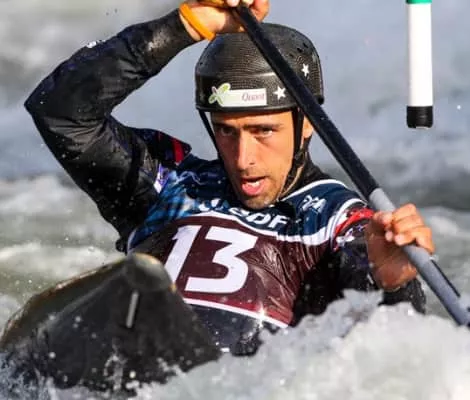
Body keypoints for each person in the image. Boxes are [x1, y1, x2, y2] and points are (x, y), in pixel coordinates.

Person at [24, 0, 434, 355]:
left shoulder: (340, 220)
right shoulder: (167, 184)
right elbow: (59, 112)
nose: (243, 158)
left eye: (263, 131)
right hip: (129, 358)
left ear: (307, 122)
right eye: (226, 131)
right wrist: (185, 25)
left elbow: (398, 353)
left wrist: (394, 283)